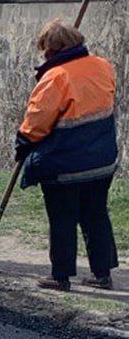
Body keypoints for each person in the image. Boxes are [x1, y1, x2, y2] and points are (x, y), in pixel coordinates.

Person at [16, 19, 118, 291]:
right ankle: (102, 273)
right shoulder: (103, 66)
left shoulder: (56, 77)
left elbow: (37, 121)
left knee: (62, 218)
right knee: (96, 214)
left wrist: (22, 142)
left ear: (51, 50)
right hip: (102, 160)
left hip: (65, 163)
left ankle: (60, 276)